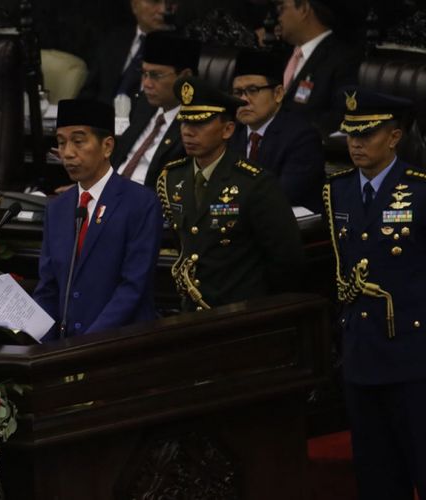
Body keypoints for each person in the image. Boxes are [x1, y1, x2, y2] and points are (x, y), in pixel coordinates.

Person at [325, 87, 426, 500]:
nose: (357, 144)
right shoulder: (338, 191)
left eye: (367, 134)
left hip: (415, 357)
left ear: (395, 137)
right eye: (351, 135)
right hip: (363, 357)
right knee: (377, 476)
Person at [157, 76, 303, 312]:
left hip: (240, 312)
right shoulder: (172, 177)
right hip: (191, 310)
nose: (188, 132)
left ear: (227, 129)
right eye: (184, 123)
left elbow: (286, 260)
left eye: (200, 124)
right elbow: (185, 244)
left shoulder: (254, 183)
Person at [33, 99, 162, 339]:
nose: (68, 153)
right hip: (63, 353)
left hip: (120, 346)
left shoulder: (140, 203)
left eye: (79, 142)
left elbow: (133, 287)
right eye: (61, 143)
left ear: (107, 147)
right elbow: (48, 287)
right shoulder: (58, 208)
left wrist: (87, 344)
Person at [228, 49, 324, 213]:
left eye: (252, 90)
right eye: (238, 92)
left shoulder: (301, 137)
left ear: (278, 93)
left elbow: (280, 196)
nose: (243, 100)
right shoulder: (229, 132)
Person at [112, 32, 201, 188]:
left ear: (185, 76)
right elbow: (118, 157)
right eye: (144, 74)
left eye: (155, 75)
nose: (146, 83)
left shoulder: (197, 122)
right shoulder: (143, 105)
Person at [276, 0, 361, 135]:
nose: (278, 17)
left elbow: (341, 118)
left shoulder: (341, 59)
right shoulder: (282, 53)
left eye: (282, 8)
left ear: (304, 9)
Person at [78, 0, 170, 105]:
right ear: (134, 5)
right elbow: (89, 92)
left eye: (170, 3)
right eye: (154, 2)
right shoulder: (115, 39)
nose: (163, 10)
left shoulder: (174, 52)